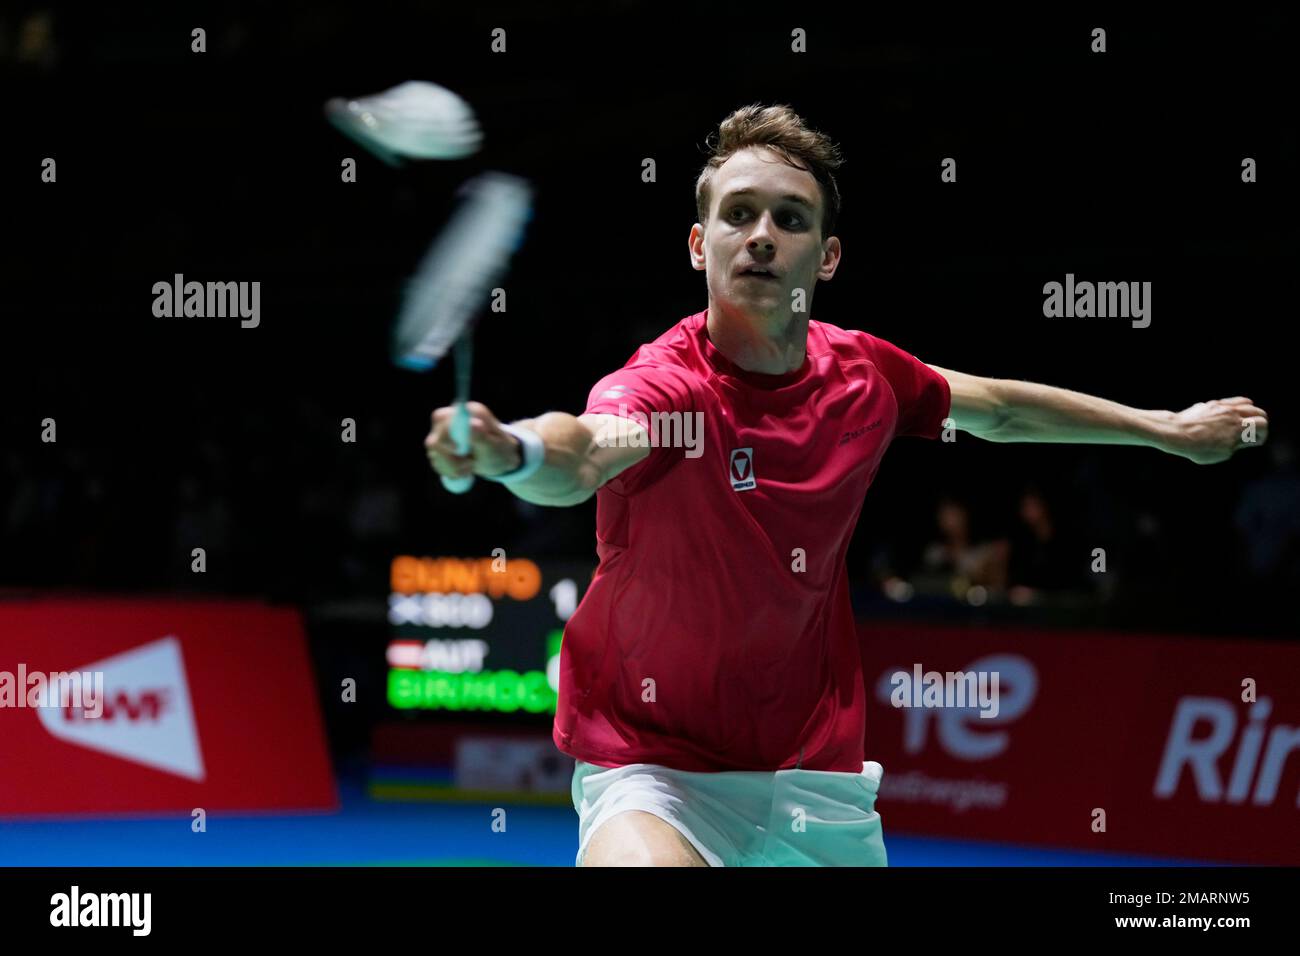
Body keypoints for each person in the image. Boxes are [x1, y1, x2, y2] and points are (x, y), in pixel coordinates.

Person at [424, 104, 1269, 866]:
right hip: (653, 767)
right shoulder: (667, 387)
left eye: (788, 220)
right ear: (698, 243)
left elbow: (1001, 411)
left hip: (810, 780)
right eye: (738, 214)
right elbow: (587, 451)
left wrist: (1166, 428)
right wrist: (515, 452)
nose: (761, 235)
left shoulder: (864, 379)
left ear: (825, 257)